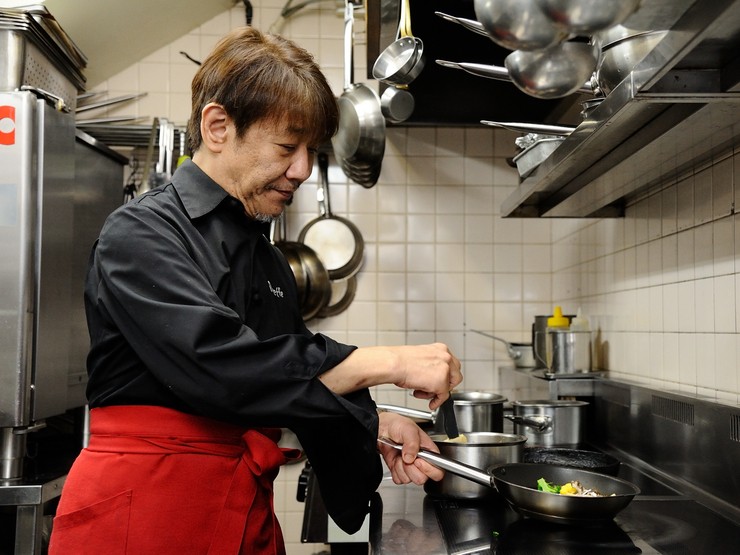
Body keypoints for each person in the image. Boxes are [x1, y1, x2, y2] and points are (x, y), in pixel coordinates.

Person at [49, 25, 462, 555]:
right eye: (288, 146)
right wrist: (389, 362)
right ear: (218, 126)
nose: (303, 169)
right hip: (147, 509)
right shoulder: (141, 232)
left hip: (241, 508)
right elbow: (223, 368)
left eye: (310, 150)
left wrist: (374, 423)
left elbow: (285, 380)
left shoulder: (266, 257)